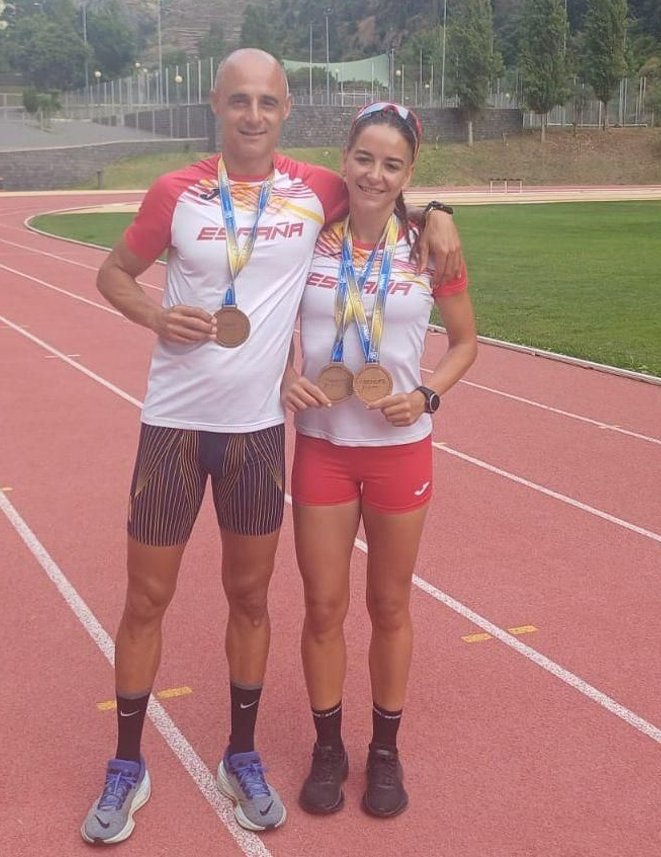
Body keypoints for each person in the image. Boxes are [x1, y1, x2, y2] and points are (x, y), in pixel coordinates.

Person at [87, 51, 464, 845]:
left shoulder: (315, 191)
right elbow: (114, 273)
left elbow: (386, 189)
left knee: (252, 600)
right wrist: (154, 317)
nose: (253, 115)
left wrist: (440, 209)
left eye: (267, 102)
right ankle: (127, 765)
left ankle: (242, 754)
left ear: (287, 110)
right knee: (145, 599)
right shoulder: (175, 194)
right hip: (173, 426)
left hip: (260, 433)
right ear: (216, 107)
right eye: (239, 102)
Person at [281, 102, 477, 819]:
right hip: (324, 449)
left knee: (389, 606)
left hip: (399, 451)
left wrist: (426, 395)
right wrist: (281, 376)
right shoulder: (309, 238)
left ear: (409, 174)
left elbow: (463, 343)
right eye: (365, 157)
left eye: (392, 164)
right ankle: (328, 747)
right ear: (345, 157)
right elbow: (271, 324)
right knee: (323, 606)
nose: (375, 173)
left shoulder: (431, 245)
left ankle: (384, 752)